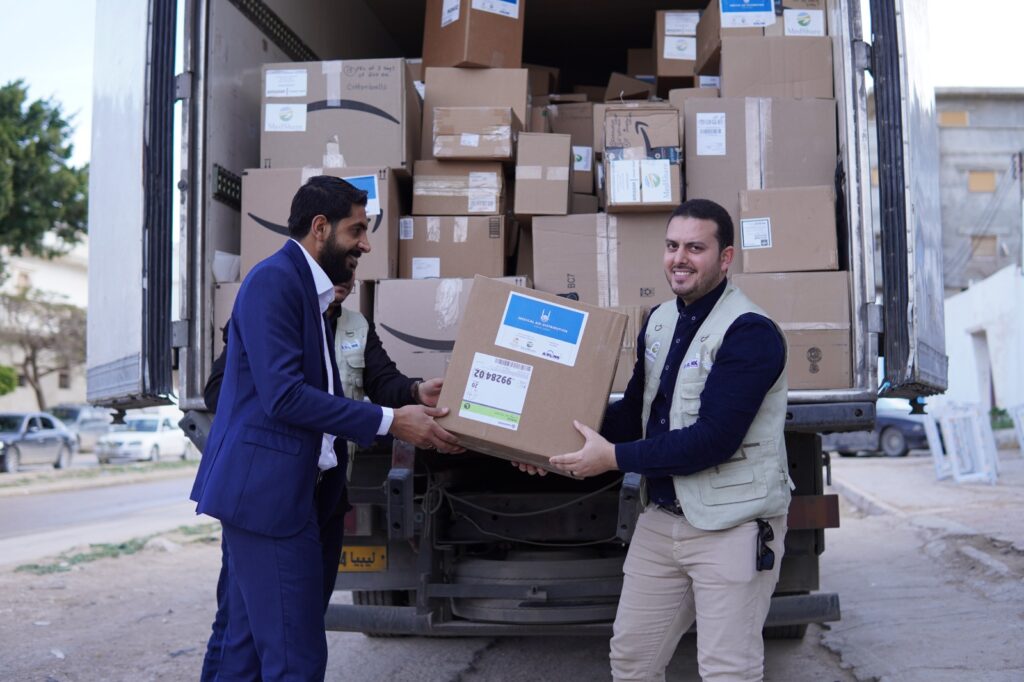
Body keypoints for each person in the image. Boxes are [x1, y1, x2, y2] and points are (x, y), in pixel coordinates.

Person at [190, 175, 461, 681]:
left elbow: (363, 379)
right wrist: (392, 422)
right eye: (356, 230)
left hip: (305, 495)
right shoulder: (275, 282)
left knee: (245, 649)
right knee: (296, 660)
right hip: (270, 501)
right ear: (321, 227)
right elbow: (284, 395)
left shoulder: (318, 299)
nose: (366, 242)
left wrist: (409, 395)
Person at [522, 199, 791, 681]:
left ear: (725, 258)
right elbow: (633, 414)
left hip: (732, 524)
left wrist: (612, 459)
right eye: (671, 246)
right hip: (662, 520)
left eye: (695, 247)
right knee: (632, 661)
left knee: (727, 670)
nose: (679, 258)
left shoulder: (750, 332)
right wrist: (549, 444)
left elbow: (713, 440)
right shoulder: (661, 320)